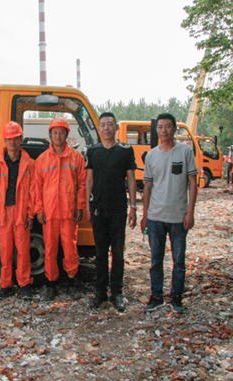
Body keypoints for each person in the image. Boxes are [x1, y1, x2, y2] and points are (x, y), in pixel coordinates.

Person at [140, 113, 197, 313]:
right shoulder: (152, 155)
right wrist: (145, 215)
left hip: (178, 217)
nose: (164, 131)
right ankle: (156, 296)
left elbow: (192, 183)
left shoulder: (185, 152)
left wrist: (190, 212)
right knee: (156, 260)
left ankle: (176, 297)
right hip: (156, 217)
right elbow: (147, 187)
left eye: (168, 127)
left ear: (175, 129)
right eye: (161, 127)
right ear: (157, 130)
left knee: (178, 261)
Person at [85, 112, 137, 312]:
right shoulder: (92, 151)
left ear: (116, 128)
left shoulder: (125, 150)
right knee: (100, 253)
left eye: (110, 124)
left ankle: (117, 293)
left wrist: (133, 206)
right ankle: (100, 292)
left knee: (117, 252)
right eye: (103, 125)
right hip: (98, 208)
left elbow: (131, 179)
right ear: (99, 129)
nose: (106, 128)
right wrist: (87, 206)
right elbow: (89, 180)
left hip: (118, 209)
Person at [34, 116, 86, 301]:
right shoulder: (41, 160)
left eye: (61, 132)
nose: (58, 136)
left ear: (67, 135)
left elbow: (82, 185)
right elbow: (36, 187)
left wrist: (79, 206)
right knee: (50, 249)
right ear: (50, 135)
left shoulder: (76, 158)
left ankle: (71, 282)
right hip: (49, 214)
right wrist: (39, 210)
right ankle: (50, 285)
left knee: (70, 249)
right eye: (55, 132)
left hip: (69, 213)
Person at [0, 121, 35, 300]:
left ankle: (24, 284)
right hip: (4, 212)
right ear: (4, 140)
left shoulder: (29, 164)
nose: (12, 142)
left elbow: (34, 191)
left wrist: (30, 213)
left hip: (21, 212)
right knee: (5, 251)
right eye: (9, 139)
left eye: (15, 138)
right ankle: (5, 285)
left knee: (23, 250)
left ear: (21, 138)